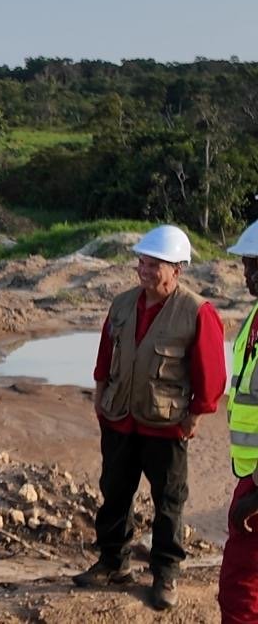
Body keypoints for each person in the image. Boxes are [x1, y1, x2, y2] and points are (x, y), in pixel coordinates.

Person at [72, 224, 226, 609]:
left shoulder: (198, 312)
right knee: (115, 494)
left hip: (166, 425)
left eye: (155, 264)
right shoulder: (123, 304)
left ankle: (165, 574)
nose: (145, 270)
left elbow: (212, 374)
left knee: (168, 503)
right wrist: (99, 391)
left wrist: (196, 415)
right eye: (142, 261)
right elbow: (107, 351)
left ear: (178, 269)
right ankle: (112, 563)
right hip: (120, 418)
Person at [221, 219, 258, 623]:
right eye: (247, 264)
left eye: (256, 265)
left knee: (242, 586)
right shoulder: (254, 319)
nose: (248, 274)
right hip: (249, 475)